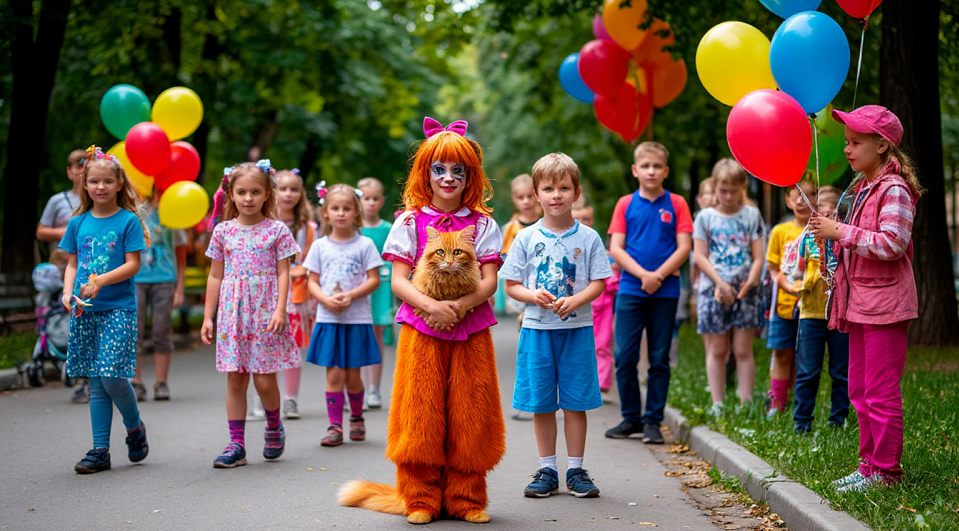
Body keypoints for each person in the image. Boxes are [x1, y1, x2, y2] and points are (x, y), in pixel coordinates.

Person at [337, 117, 505, 525]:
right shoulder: (409, 221)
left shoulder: (483, 224)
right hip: (421, 328)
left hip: (472, 330)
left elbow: (489, 283)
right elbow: (396, 280)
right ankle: (419, 498)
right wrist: (431, 307)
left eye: (458, 171)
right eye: (439, 170)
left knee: (471, 412)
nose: (448, 178)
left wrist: (460, 306)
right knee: (420, 413)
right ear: (425, 175)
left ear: (470, 177)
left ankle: (466, 498)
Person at [808, 105, 920, 491]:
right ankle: (868, 466)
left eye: (856, 143)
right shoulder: (863, 189)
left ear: (883, 145)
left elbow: (892, 243)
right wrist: (831, 243)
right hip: (859, 304)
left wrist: (839, 231)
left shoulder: (895, 190)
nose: (848, 150)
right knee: (859, 388)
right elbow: (855, 242)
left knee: (881, 392)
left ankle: (886, 473)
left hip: (886, 306)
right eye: (846, 143)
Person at [502, 153, 611, 498]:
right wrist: (533, 295)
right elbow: (511, 285)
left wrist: (576, 301)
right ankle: (547, 469)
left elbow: (599, 282)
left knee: (575, 402)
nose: (556, 195)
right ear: (536, 194)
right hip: (537, 330)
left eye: (564, 187)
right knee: (542, 402)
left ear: (576, 192)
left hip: (576, 331)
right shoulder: (525, 238)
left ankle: (576, 470)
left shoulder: (589, 237)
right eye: (548, 188)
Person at [201, 160, 300, 469]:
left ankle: (273, 426)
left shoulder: (277, 230)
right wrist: (208, 316)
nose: (248, 198)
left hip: (265, 312)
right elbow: (215, 275)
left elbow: (284, 273)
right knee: (235, 379)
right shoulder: (223, 231)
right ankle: (236, 444)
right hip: (233, 314)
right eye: (241, 192)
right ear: (230, 194)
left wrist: (281, 308)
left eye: (255, 191)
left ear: (267, 193)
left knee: (265, 381)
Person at [59, 146, 150, 474]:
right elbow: (72, 263)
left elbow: (133, 265)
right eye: (94, 181)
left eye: (107, 181)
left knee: (112, 376)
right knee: (97, 381)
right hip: (85, 311)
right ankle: (100, 450)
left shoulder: (128, 220)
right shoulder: (78, 222)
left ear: (118, 184)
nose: (100, 187)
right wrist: (67, 292)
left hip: (118, 309)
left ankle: (134, 426)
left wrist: (99, 281)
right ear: (85, 184)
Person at [605, 141, 693, 444]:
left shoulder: (678, 203)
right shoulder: (625, 204)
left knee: (659, 358)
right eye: (646, 166)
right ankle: (631, 418)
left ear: (666, 171)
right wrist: (643, 275)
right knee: (625, 356)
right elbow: (616, 247)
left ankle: (653, 421)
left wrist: (659, 275)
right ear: (635, 170)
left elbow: (685, 247)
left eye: (657, 166)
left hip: (666, 292)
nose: (651, 171)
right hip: (631, 288)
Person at [305, 183, 382, 446]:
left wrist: (351, 296)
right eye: (335, 208)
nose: (340, 213)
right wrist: (326, 299)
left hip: (357, 320)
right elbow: (311, 282)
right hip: (329, 319)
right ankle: (335, 426)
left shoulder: (365, 244)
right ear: (325, 212)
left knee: (353, 376)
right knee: (334, 374)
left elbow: (374, 279)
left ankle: (357, 417)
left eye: (347, 208)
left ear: (355, 213)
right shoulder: (319, 246)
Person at [692, 160, 765, 413]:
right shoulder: (705, 217)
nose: (728, 196)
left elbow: (758, 256)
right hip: (714, 288)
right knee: (718, 347)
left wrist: (749, 283)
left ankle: (746, 403)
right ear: (715, 187)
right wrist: (720, 284)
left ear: (742, 188)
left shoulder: (751, 215)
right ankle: (718, 403)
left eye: (733, 191)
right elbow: (700, 255)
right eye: (723, 190)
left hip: (745, 287)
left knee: (743, 348)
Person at [264, 168, 317, 421]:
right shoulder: (264, 224)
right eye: (283, 188)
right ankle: (265, 398)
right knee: (265, 345)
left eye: (294, 189)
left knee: (293, 346)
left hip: (296, 296)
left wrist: (300, 271)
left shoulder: (307, 227)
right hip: (266, 294)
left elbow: (311, 261)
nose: (288, 194)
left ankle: (290, 400)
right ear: (273, 192)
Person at [793, 192, 848, 433]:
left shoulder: (844, 241)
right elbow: (797, 270)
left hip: (840, 313)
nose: (825, 219)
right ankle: (802, 423)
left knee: (840, 371)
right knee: (807, 371)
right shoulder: (806, 240)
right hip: (811, 314)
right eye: (821, 214)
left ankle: (838, 421)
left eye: (830, 215)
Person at [38, 149, 88, 403]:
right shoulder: (58, 201)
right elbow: (40, 231)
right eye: (77, 166)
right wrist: (64, 232)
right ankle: (73, 372)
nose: (81, 170)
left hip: (90, 270)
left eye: (86, 165)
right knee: (68, 323)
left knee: (87, 322)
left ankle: (86, 380)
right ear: (69, 171)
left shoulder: (100, 200)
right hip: (62, 269)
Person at [765, 180, 816, 416]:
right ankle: (776, 404)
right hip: (783, 306)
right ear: (787, 200)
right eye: (796, 196)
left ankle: (799, 404)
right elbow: (773, 267)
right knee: (782, 353)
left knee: (803, 357)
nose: (801, 201)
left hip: (812, 307)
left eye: (808, 195)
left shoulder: (821, 230)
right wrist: (783, 282)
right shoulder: (780, 231)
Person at [131, 188, 187, 402]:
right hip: (135, 280)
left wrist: (180, 288)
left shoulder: (170, 213)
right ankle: (136, 383)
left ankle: (161, 382)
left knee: (161, 329)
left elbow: (180, 256)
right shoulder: (130, 213)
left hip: (164, 279)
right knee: (133, 331)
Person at [501, 173, 543, 421]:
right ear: (515, 200)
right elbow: (506, 262)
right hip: (522, 294)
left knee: (539, 348)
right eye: (521, 197)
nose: (526, 201)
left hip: (545, 292)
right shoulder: (512, 228)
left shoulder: (547, 223)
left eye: (530, 196)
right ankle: (527, 398)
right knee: (528, 346)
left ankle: (539, 397)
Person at [573, 197, 619, 393]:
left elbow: (609, 273)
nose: (585, 222)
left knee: (602, 342)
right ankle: (581, 380)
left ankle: (602, 382)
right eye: (580, 219)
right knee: (579, 344)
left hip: (603, 303)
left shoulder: (595, 242)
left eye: (588, 219)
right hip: (579, 303)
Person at [357, 176, 394, 410]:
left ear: (381, 201)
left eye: (374, 198)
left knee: (376, 336)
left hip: (380, 287)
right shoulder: (352, 228)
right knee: (354, 335)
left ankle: (373, 389)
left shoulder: (388, 229)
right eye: (365, 198)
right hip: (356, 286)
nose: (370, 203)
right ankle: (353, 386)